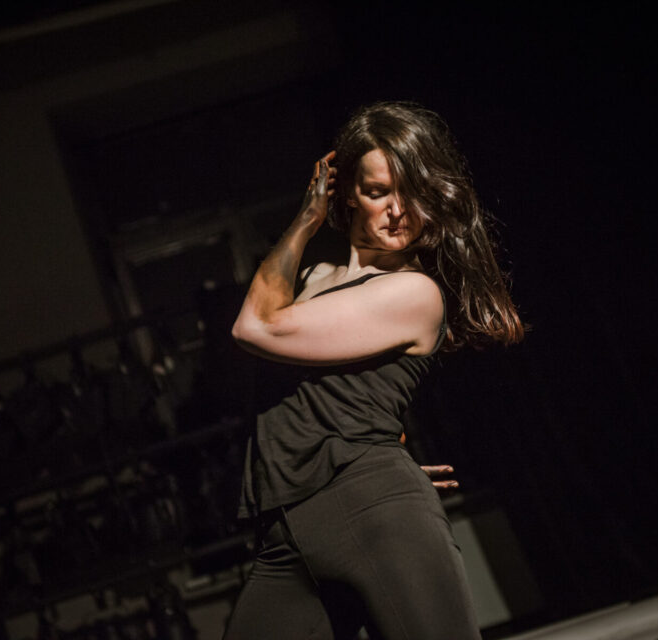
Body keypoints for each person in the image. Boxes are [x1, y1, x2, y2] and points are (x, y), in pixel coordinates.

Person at [224, 101, 524, 639]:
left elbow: (254, 326)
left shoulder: (413, 293)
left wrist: (376, 473)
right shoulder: (313, 277)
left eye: (411, 191)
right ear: (346, 194)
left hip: (373, 512)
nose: (398, 210)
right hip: (284, 531)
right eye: (378, 191)